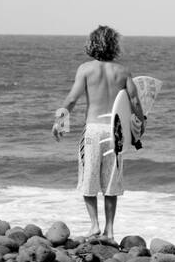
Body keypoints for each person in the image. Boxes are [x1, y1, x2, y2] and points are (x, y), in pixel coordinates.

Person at [52, 25, 145, 242]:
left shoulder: (85, 69)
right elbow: (134, 102)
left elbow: (72, 99)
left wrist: (60, 123)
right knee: (111, 183)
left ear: (92, 44)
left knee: (89, 179)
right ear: (114, 45)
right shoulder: (123, 71)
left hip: (93, 131)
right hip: (116, 131)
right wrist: (141, 123)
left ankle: (94, 226)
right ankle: (110, 232)